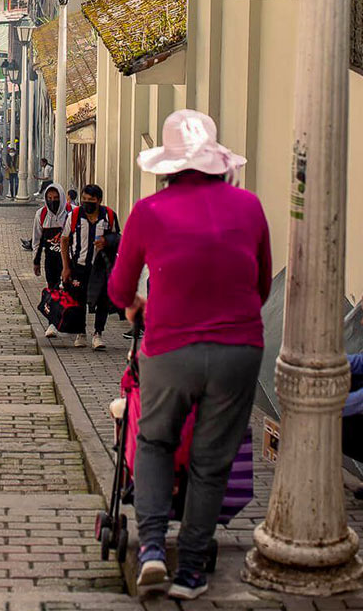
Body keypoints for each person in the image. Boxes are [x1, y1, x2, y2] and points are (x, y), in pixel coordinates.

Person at [108, 110, 271, 601]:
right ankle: (193, 571)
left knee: (155, 443)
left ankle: (153, 550)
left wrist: (139, 305)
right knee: (210, 460)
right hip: (239, 349)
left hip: (169, 348)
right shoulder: (250, 207)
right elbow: (261, 286)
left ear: (170, 167)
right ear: (218, 163)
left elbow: (118, 289)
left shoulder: (149, 212)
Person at [61, 184, 121, 351]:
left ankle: (98, 333)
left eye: (91, 201)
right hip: (79, 265)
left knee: (102, 300)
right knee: (79, 300)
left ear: (99, 201)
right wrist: (66, 267)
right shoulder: (74, 216)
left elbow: (118, 237)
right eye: (84, 200)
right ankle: (81, 333)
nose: (87, 203)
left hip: (101, 267)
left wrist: (107, 241)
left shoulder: (108, 215)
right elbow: (64, 240)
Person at [32, 182, 70, 336]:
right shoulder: (41, 215)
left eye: (56, 198)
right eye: (49, 198)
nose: (52, 201)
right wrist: (36, 261)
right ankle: (52, 324)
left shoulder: (71, 213)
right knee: (53, 292)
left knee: (70, 293)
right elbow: (36, 240)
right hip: (51, 261)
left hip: (69, 260)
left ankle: (72, 324)